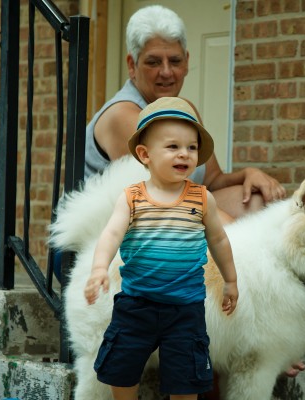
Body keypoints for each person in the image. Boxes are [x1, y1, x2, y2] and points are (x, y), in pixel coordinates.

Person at [85, 97, 239, 400]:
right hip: (136, 304)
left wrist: (231, 280)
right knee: (122, 364)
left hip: (186, 309)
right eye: (172, 147)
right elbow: (112, 234)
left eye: (191, 148)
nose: (184, 154)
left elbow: (219, 240)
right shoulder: (132, 197)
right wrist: (100, 268)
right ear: (145, 154)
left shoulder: (202, 198)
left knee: (186, 374)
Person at [85, 4, 286, 222]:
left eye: (175, 60)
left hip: (177, 214)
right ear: (132, 65)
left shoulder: (184, 110)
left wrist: (249, 174)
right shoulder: (122, 115)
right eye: (153, 62)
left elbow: (213, 180)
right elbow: (162, 198)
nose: (166, 71)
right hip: (124, 231)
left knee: (258, 201)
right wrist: (230, 230)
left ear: (187, 62)